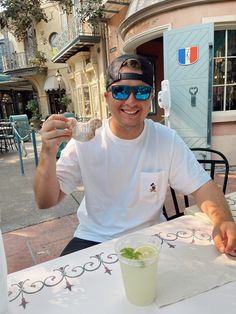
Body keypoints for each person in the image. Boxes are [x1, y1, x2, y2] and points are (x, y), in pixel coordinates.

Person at [34, 53, 236, 256]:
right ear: (107, 97)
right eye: (120, 91)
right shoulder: (85, 141)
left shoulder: (166, 139)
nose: (131, 101)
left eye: (140, 91)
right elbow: (46, 201)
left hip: (151, 235)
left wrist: (223, 219)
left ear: (150, 97)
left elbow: (202, 186)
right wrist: (47, 154)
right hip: (94, 237)